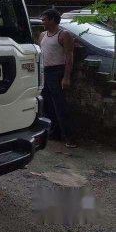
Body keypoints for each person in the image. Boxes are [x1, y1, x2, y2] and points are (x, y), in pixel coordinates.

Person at [39, 9, 77, 148]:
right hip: (45, 72)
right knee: (48, 106)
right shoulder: (43, 34)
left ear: (52, 20)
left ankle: (69, 137)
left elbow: (69, 56)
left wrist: (66, 77)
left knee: (60, 106)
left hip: (57, 72)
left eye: (44, 19)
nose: (42, 22)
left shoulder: (63, 34)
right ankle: (54, 133)